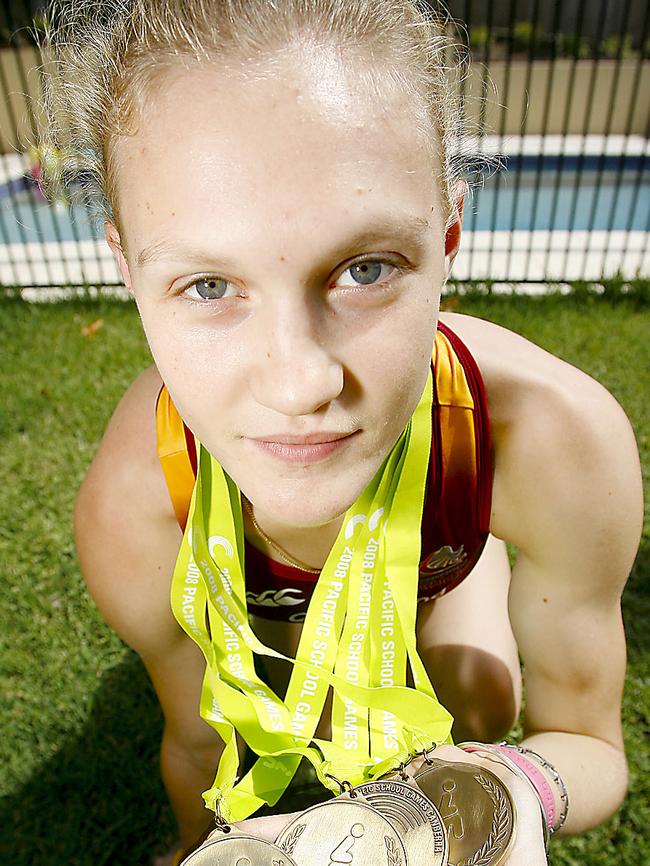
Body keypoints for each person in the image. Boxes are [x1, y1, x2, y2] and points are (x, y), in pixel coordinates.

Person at [39, 1, 643, 864]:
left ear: (449, 240)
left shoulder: (552, 440)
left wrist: (506, 782)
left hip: (438, 552)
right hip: (247, 589)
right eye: (209, 286)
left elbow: (589, 746)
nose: (300, 383)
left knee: (471, 705)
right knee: (270, 716)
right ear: (127, 271)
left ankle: (464, 563)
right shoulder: (139, 500)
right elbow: (200, 738)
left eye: (366, 269)